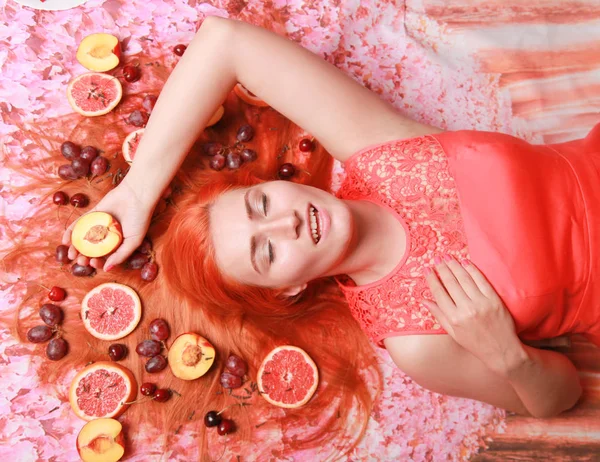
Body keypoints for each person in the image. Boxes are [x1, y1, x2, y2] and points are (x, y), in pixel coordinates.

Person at [63, 16, 599, 419]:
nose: (285, 224)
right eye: (266, 251)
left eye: (262, 206)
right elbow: (561, 397)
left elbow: (225, 43)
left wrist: (137, 192)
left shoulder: (378, 148)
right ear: (290, 289)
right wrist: (509, 357)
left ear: (279, 185)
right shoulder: (417, 343)